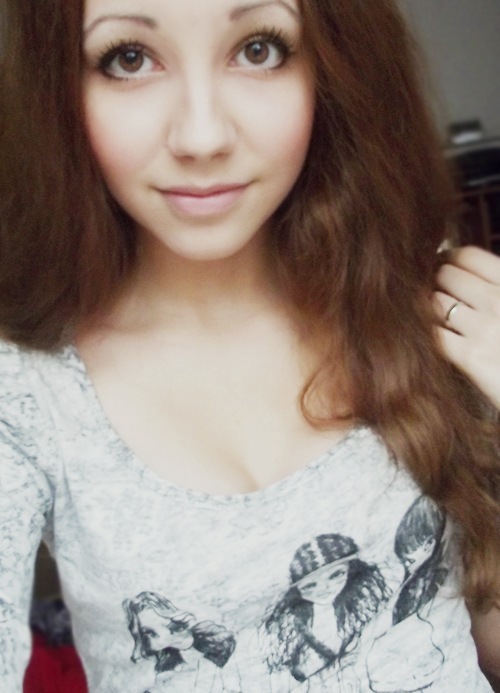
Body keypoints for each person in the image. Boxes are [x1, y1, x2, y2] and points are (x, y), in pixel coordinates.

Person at [0, 0, 499, 691]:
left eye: (259, 48)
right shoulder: (26, 391)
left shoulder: (425, 306)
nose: (202, 136)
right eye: (129, 58)